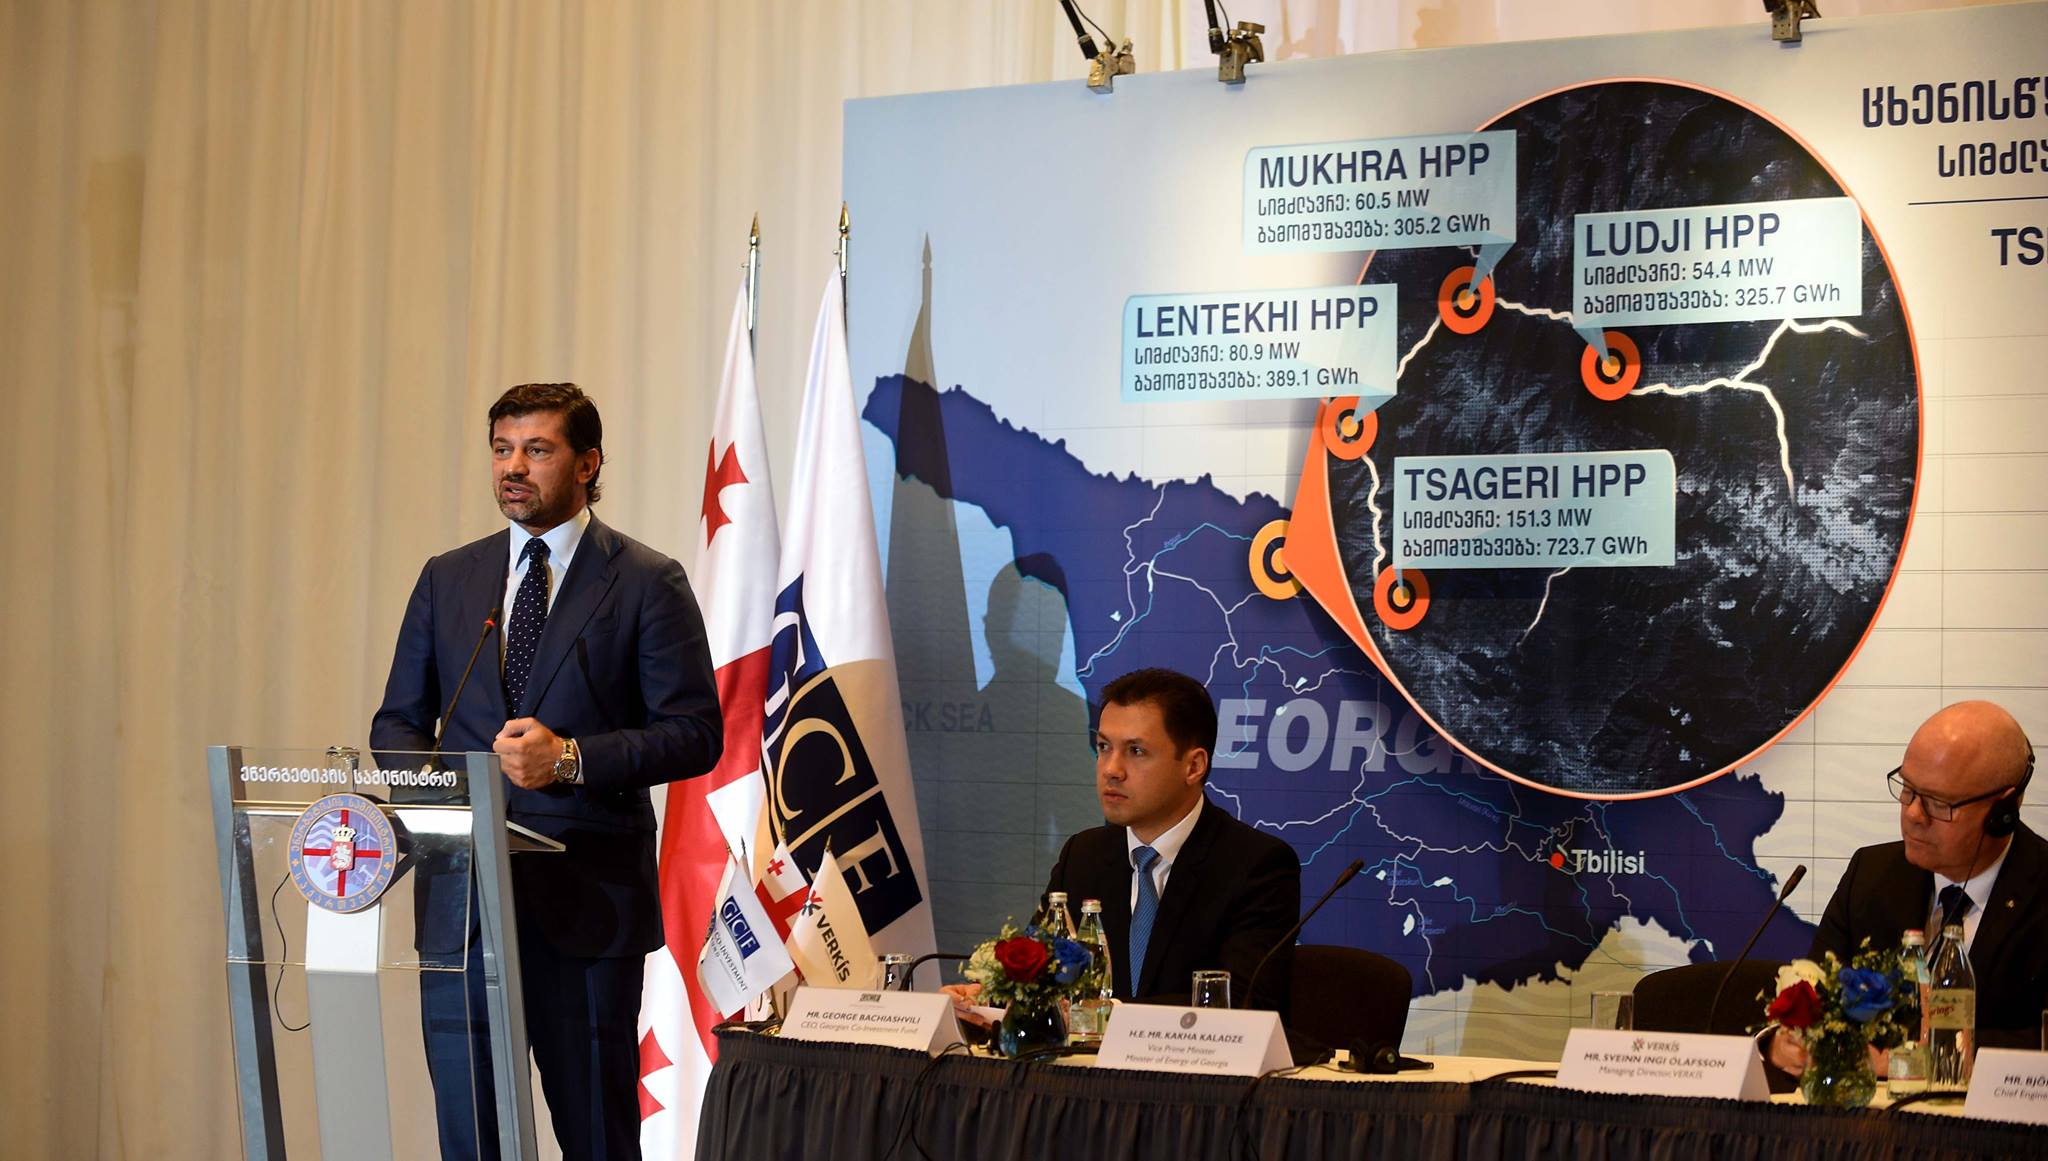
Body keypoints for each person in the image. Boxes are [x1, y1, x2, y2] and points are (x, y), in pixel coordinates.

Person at [371, 382, 721, 1161]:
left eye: (537, 449)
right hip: (463, 903)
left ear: (588, 463)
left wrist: (569, 757)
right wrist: (438, 797)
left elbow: (695, 734)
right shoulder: (448, 578)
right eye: (502, 449)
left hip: (586, 906)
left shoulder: (645, 580)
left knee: (596, 1137)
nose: (513, 467)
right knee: (472, 1136)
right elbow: (397, 722)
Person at [948, 667, 1301, 1017]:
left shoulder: (1255, 866)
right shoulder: (1083, 856)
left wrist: (1107, 1012)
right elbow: (1037, 974)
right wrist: (987, 996)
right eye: (1104, 747)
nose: (1110, 769)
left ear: (1193, 766)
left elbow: (1242, 1005)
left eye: (1136, 751)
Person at [1767, 699, 2045, 1079]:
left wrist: (1922, 1059)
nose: (1913, 814)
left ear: (2003, 811)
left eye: (1938, 803)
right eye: (1908, 789)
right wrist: (1783, 1041)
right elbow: (1816, 996)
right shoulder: (1871, 874)